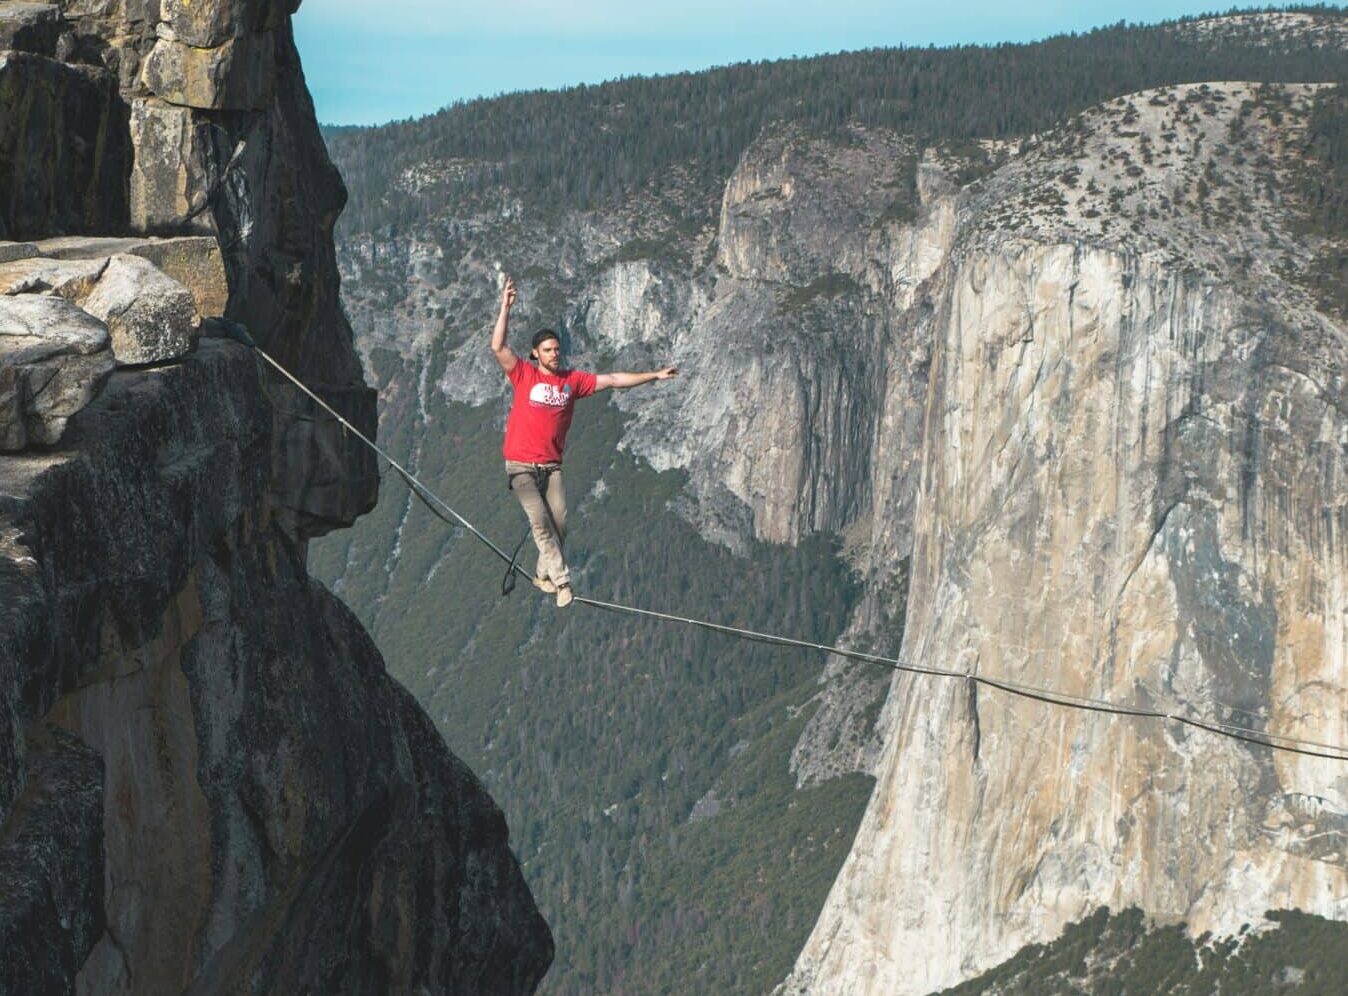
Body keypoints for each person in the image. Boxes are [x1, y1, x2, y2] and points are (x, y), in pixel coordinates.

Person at [491, 274, 678, 607]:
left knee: (559, 526)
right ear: (535, 354)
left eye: (557, 349)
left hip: (551, 466)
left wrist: (654, 376)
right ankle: (563, 582)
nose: (554, 354)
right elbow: (498, 347)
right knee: (539, 521)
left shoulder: (572, 382)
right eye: (547, 350)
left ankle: (543, 574)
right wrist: (505, 307)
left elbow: (615, 379)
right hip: (520, 464)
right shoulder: (524, 374)